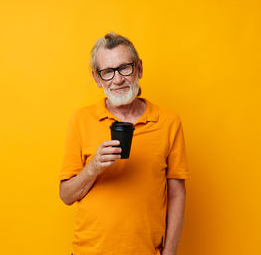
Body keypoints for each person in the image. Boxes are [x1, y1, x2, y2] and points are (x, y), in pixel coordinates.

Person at [59, 32, 189, 255]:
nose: (117, 79)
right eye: (107, 72)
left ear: (138, 68)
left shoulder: (169, 122)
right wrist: (93, 168)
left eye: (124, 68)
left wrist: (170, 252)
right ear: (97, 78)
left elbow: (177, 193)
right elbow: (66, 195)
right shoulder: (81, 120)